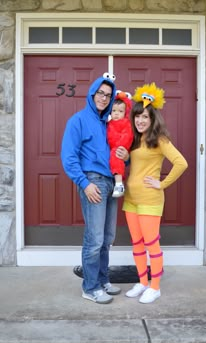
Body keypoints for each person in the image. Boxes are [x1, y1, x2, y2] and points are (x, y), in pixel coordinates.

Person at [118, 82, 188, 304]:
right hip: (130, 200)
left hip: (150, 200)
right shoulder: (134, 140)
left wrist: (162, 184)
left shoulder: (160, 139)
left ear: (152, 119)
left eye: (145, 117)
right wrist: (122, 155)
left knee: (151, 243)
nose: (140, 121)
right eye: (137, 116)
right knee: (137, 243)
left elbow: (181, 163)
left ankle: (155, 287)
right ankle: (142, 282)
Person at [61, 73, 121, 304]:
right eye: (101, 93)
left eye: (108, 95)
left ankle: (103, 280)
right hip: (93, 181)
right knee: (94, 238)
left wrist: (124, 159)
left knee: (108, 238)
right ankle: (90, 287)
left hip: (110, 182)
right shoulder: (77, 120)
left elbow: (115, 153)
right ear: (92, 93)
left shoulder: (108, 124)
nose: (104, 98)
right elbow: (68, 157)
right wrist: (85, 184)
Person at [107, 90, 133, 198]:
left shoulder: (126, 123)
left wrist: (119, 145)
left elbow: (128, 136)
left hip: (120, 147)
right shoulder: (108, 124)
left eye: (120, 111)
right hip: (112, 148)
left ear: (125, 113)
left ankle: (119, 184)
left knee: (116, 156)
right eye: (114, 111)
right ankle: (116, 183)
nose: (116, 113)